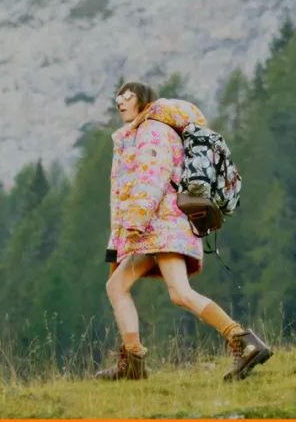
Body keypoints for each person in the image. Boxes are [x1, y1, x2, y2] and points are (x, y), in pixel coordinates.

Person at [95, 81, 272, 381]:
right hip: (156, 229)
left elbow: (153, 177)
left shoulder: (152, 130)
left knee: (180, 292)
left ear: (143, 99)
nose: (121, 103)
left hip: (162, 225)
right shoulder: (148, 129)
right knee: (117, 286)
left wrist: (135, 221)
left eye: (128, 97)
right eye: (118, 99)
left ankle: (242, 340)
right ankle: (133, 361)